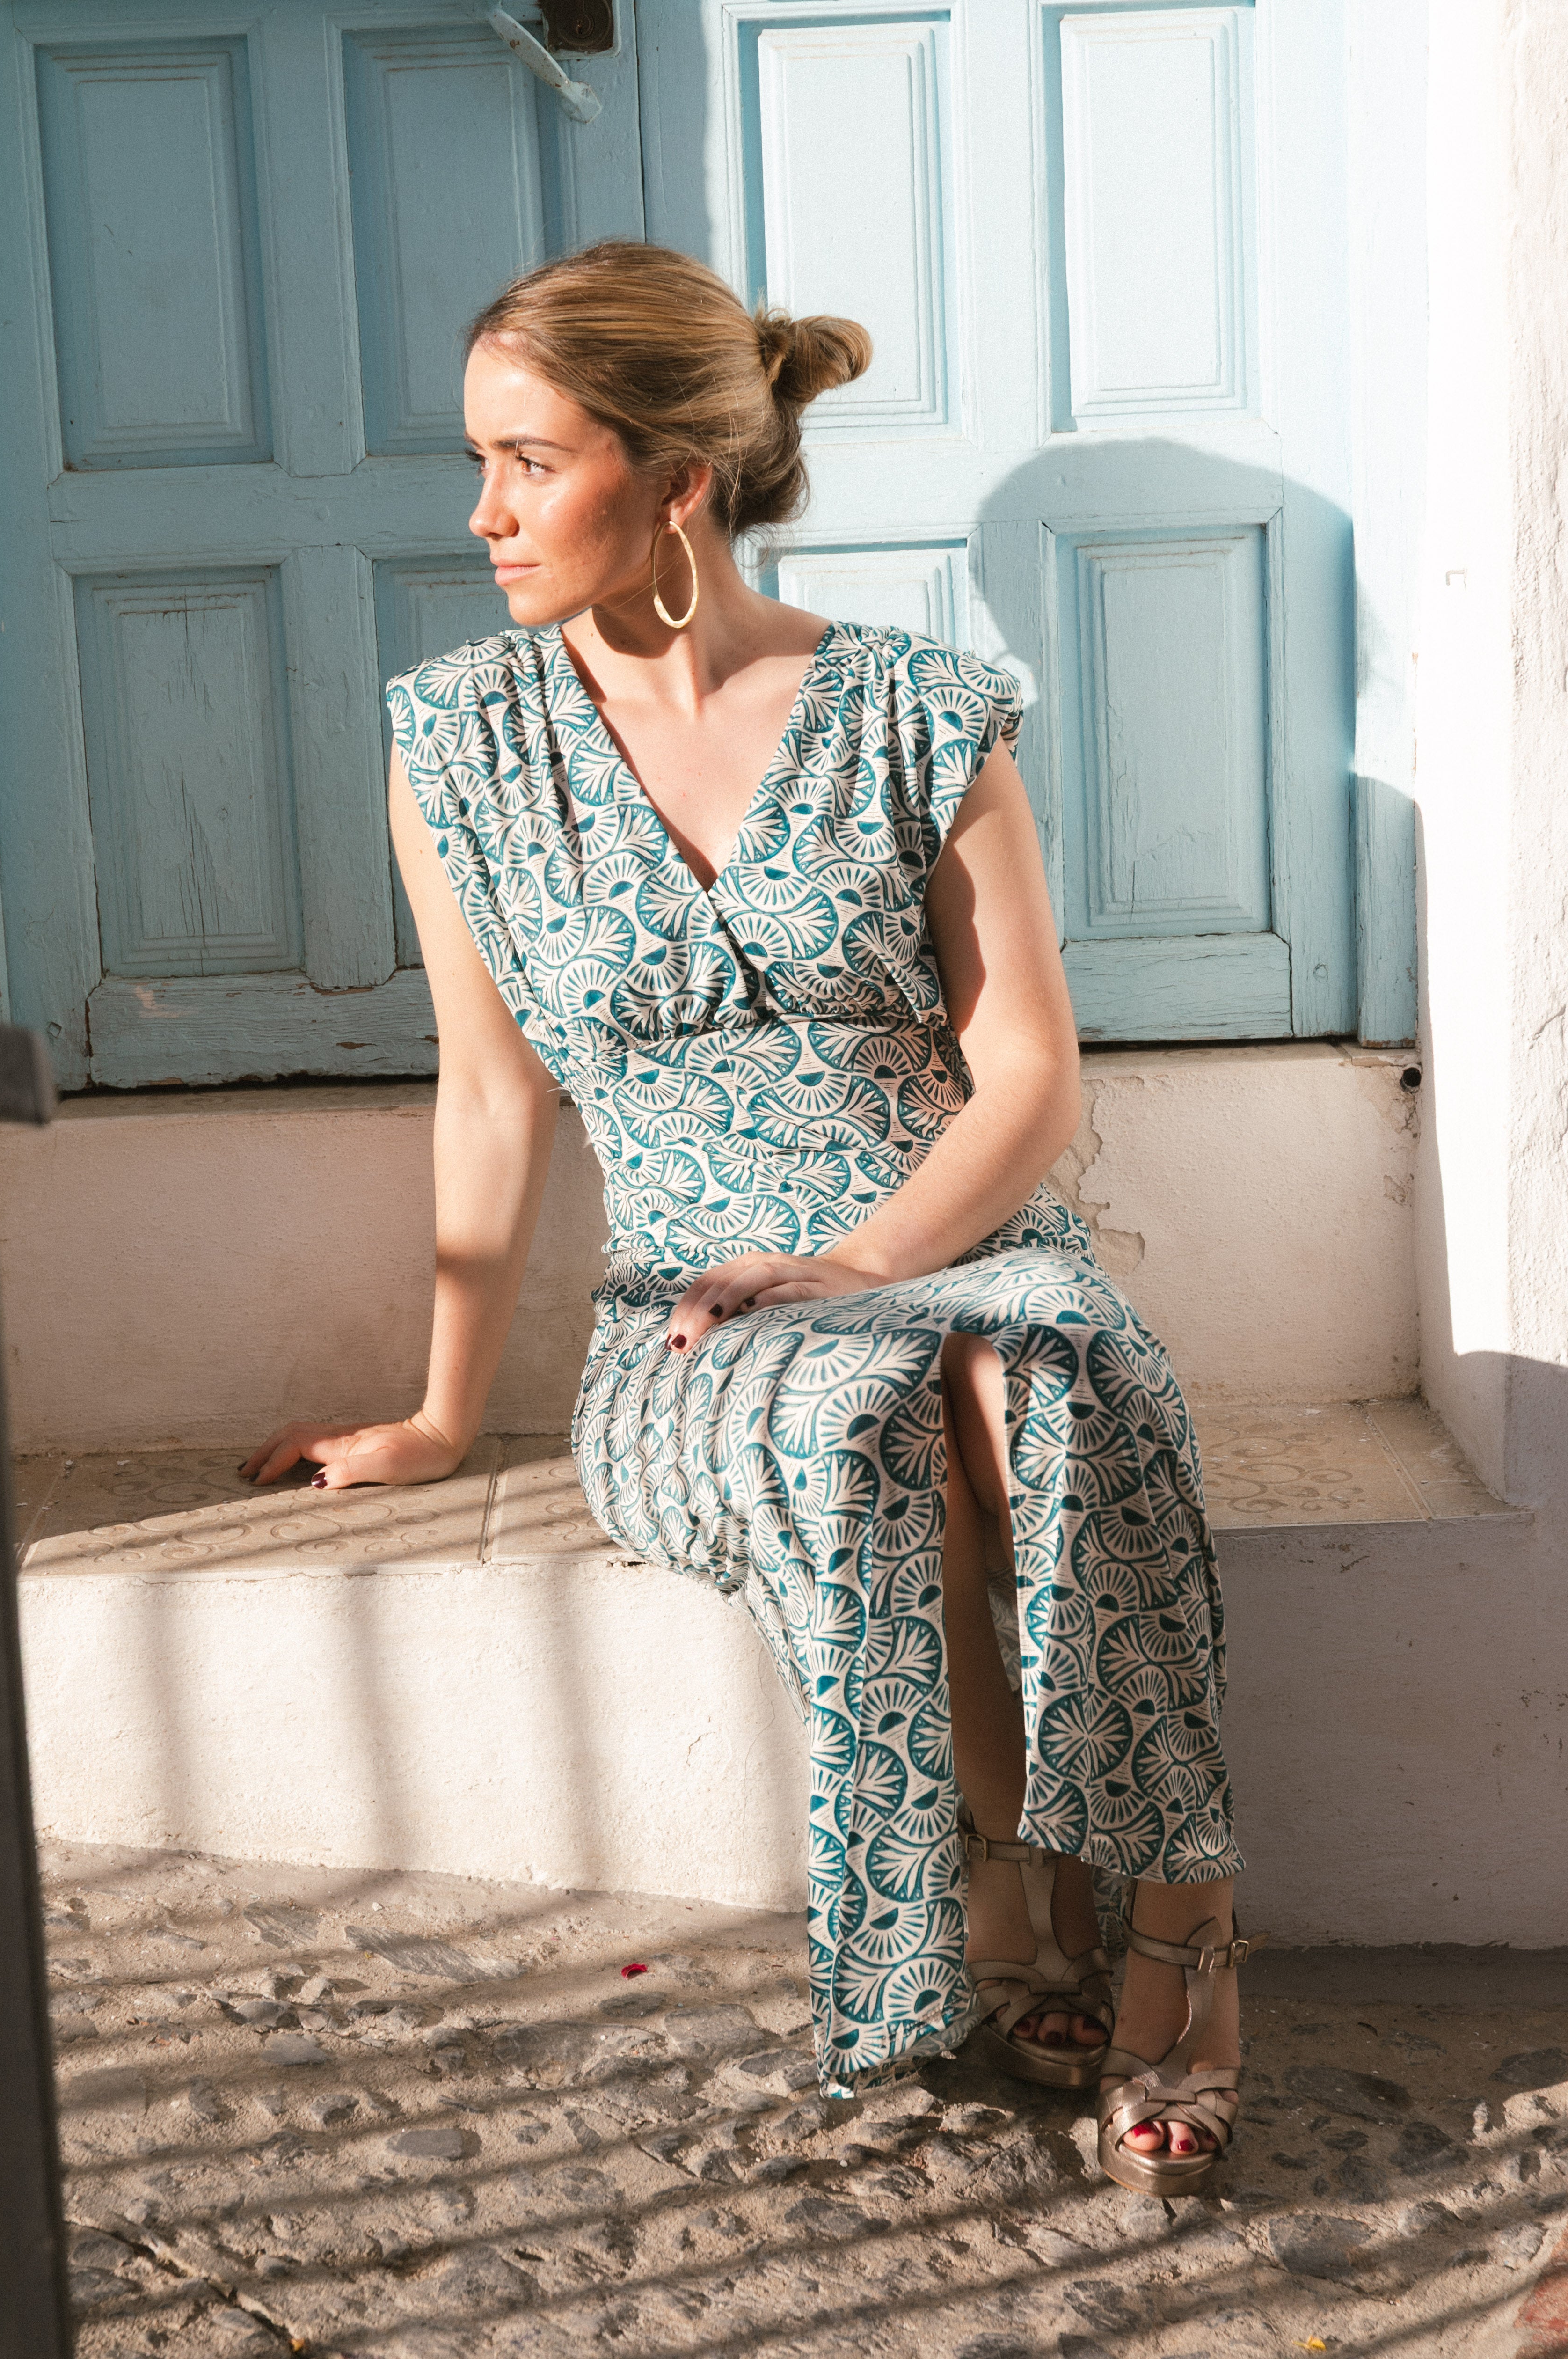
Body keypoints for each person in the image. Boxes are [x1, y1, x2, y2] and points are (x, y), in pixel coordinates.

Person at [242, 241, 1262, 2194]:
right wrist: (444, 1413)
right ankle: (1000, 1887)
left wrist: (874, 1258)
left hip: (951, 1243)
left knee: (1065, 1379)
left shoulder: (918, 712)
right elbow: (491, 1093)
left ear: (677, 482)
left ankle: (1180, 1926)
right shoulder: (460, 741)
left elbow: (1031, 1074)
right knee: (860, 1406)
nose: (484, 514)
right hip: (697, 1313)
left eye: (531, 463)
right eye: (482, 462)